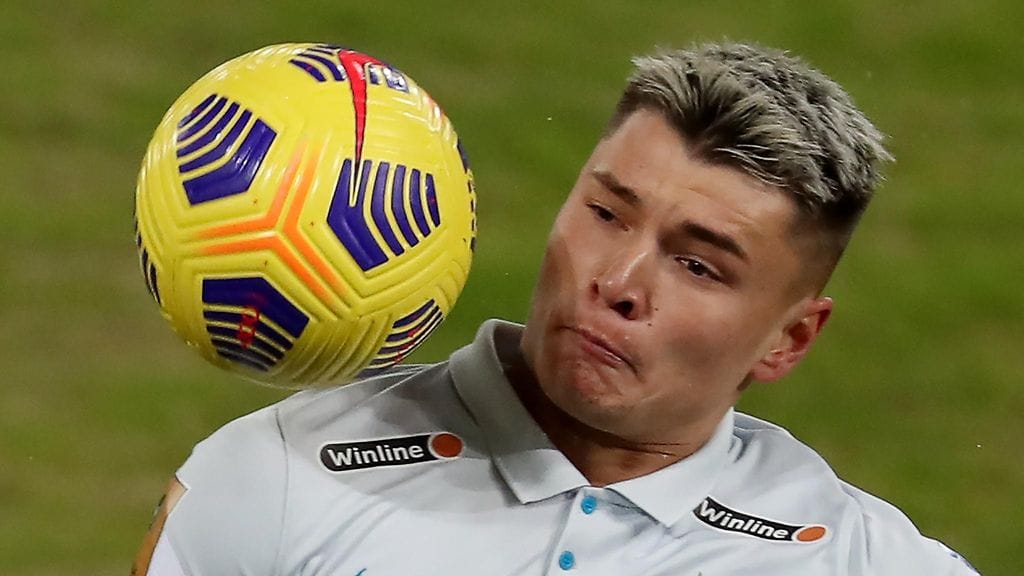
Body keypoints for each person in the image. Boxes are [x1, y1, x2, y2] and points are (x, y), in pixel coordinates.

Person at [133, 41, 980, 576]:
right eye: (607, 213)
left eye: (696, 264)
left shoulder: (854, 559)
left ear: (788, 340)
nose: (619, 279)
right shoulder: (281, 478)